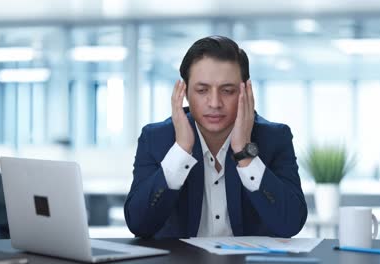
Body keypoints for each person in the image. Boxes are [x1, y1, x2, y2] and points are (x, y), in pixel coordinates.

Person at [124, 36, 307, 238]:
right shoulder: (156, 138)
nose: (214, 103)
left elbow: (291, 224)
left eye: (227, 91)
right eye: (202, 90)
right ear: (184, 91)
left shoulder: (274, 137)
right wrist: (181, 150)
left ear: (245, 92)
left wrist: (245, 154)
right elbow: (139, 224)